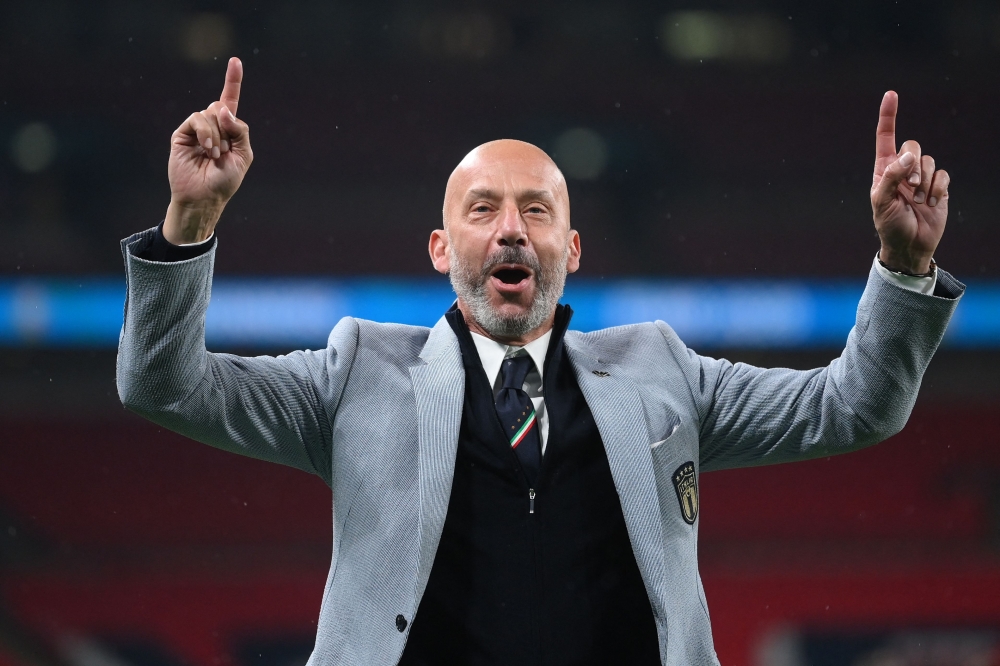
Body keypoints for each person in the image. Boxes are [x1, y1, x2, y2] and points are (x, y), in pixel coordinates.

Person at [117, 57, 963, 666]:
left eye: (536, 210)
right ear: (442, 249)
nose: (511, 228)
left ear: (574, 248)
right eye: (483, 209)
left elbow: (854, 407)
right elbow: (164, 383)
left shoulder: (661, 369)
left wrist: (904, 268)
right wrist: (189, 222)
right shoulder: (356, 370)